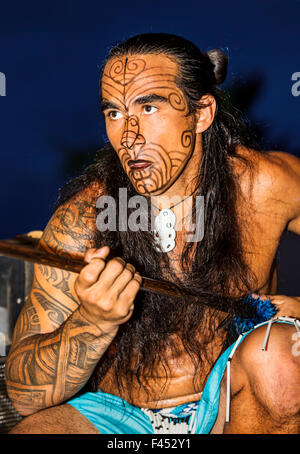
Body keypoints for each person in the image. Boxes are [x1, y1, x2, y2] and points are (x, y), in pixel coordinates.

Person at [5, 33, 300, 434]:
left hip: (231, 403)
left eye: (148, 107)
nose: (128, 137)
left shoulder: (266, 184)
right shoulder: (83, 219)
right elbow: (24, 396)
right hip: (117, 417)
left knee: (280, 359)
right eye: (113, 113)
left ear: (202, 114)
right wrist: (92, 322)